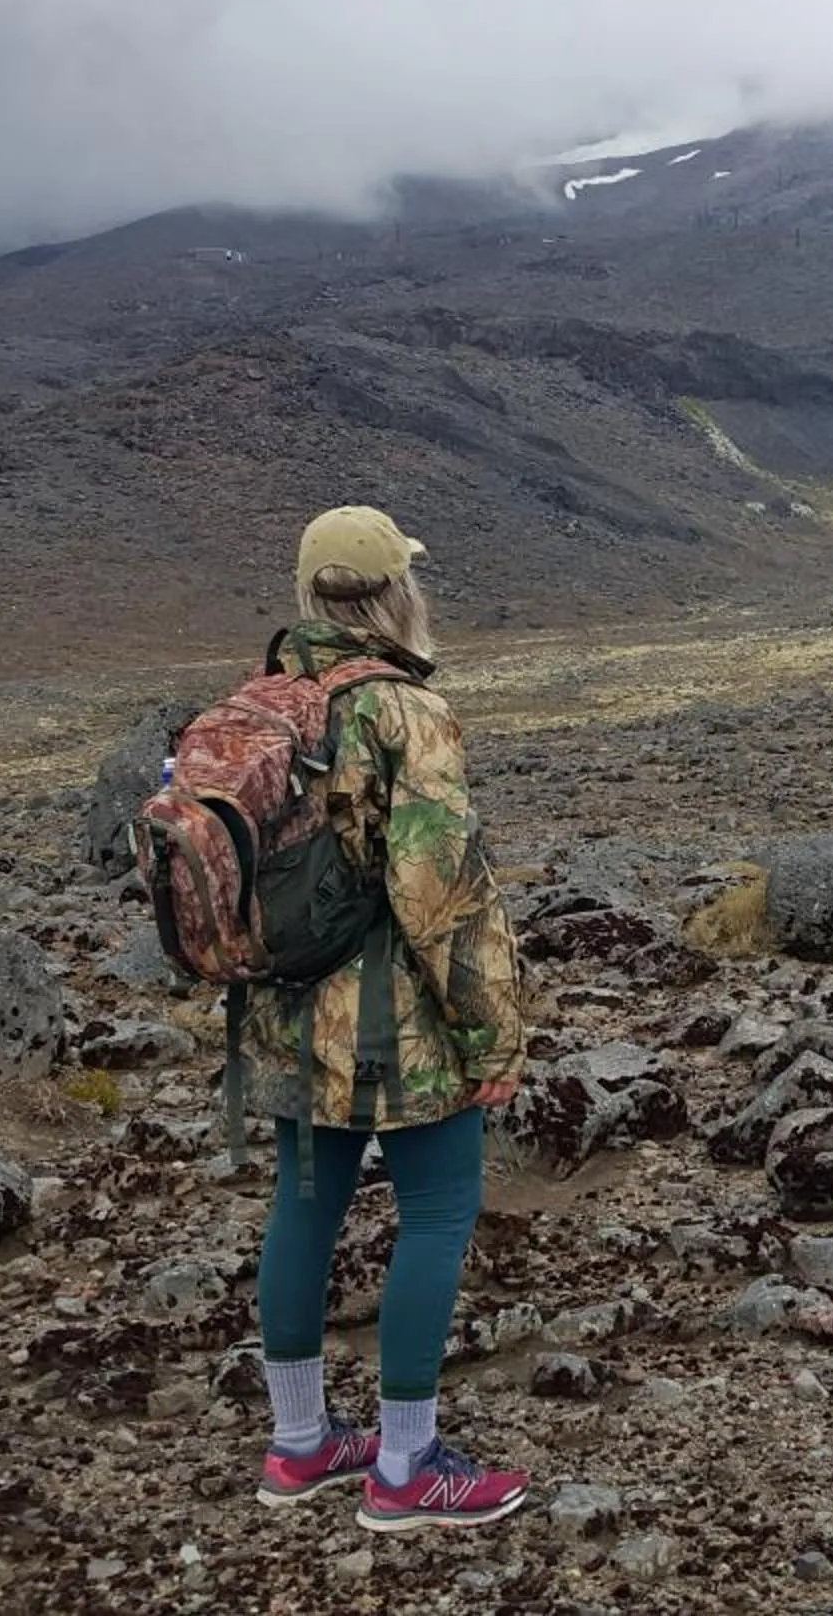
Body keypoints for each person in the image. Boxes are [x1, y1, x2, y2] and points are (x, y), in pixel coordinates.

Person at [245, 505, 538, 1532]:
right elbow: (439, 893)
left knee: (303, 1206)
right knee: (440, 1211)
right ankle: (406, 1466)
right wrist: (491, 1033)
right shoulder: (405, 711)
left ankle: (299, 1443)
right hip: (395, 1023)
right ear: (393, 594)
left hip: (287, 1015)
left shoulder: (265, 701)